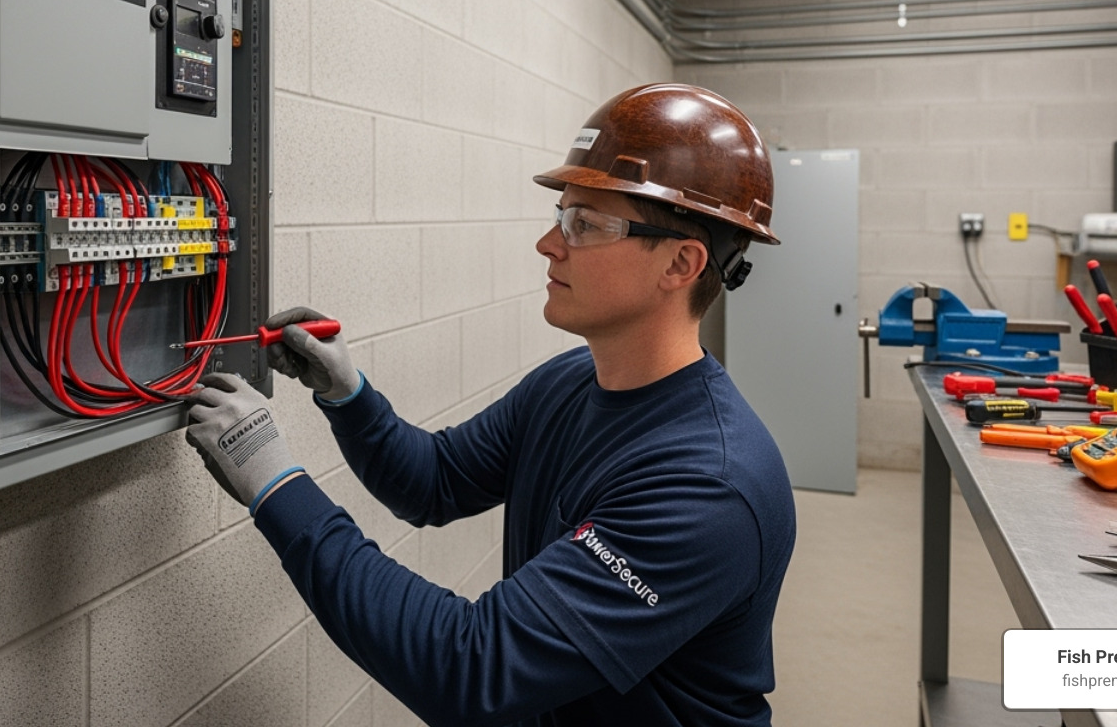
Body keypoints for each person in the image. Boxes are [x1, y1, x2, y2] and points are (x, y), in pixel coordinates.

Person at [187, 83, 796, 726]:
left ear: (680, 263)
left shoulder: (707, 486)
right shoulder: (570, 381)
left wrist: (274, 482)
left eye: (583, 225)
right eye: (562, 215)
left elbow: (474, 670)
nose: (548, 244)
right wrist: (348, 394)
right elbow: (435, 481)